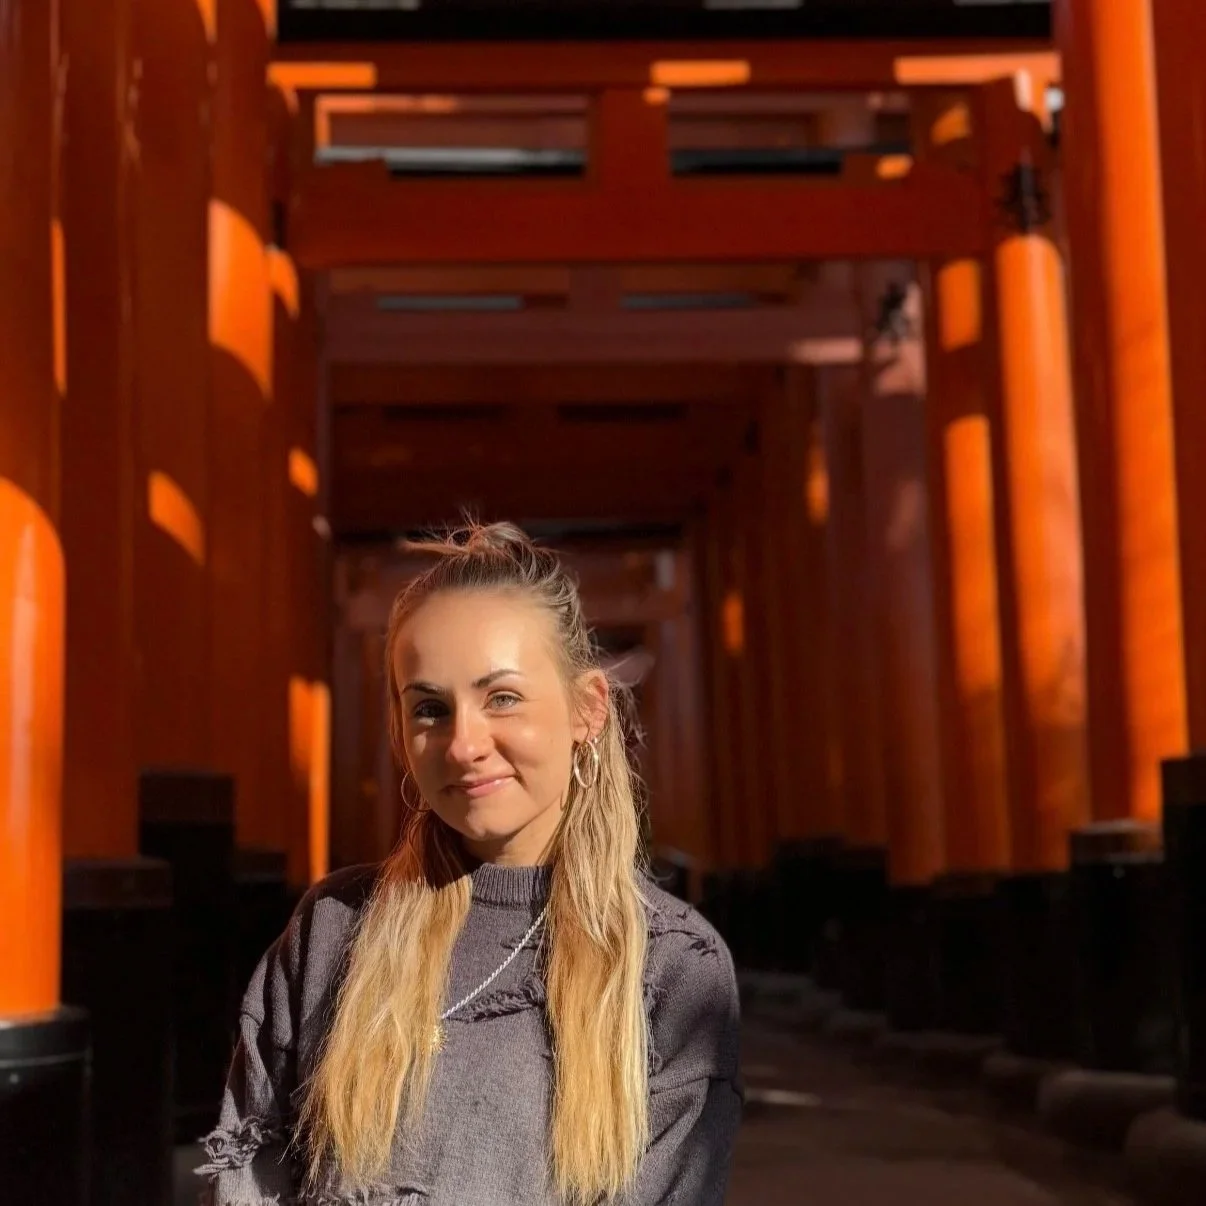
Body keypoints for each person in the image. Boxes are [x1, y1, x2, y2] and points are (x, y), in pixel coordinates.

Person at [197, 522, 743, 1205]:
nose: (462, 744)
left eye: (502, 698)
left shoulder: (673, 964)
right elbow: (250, 1168)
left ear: (587, 708)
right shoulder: (335, 929)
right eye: (430, 709)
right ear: (401, 732)